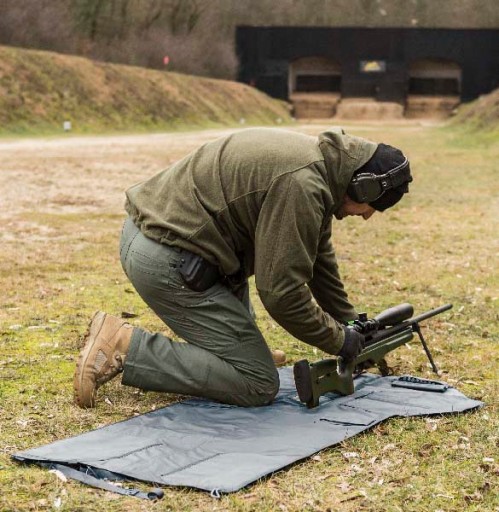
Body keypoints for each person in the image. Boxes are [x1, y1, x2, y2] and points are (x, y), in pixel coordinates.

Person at [73, 127, 412, 409]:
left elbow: (319, 258)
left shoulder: (320, 168)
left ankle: (236, 355)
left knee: (251, 356)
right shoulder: (302, 185)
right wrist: (339, 341)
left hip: (169, 244)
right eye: (372, 207)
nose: (367, 216)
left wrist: (352, 325)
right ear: (363, 185)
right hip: (168, 258)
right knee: (257, 381)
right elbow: (282, 295)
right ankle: (124, 346)